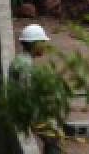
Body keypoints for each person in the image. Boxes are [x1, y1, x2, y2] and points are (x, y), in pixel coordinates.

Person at [11, 24, 63, 154]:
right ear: (35, 45)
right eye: (43, 42)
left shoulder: (21, 59)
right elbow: (26, 95)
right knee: (53, 137)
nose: (45, 46)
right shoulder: (26, 66)